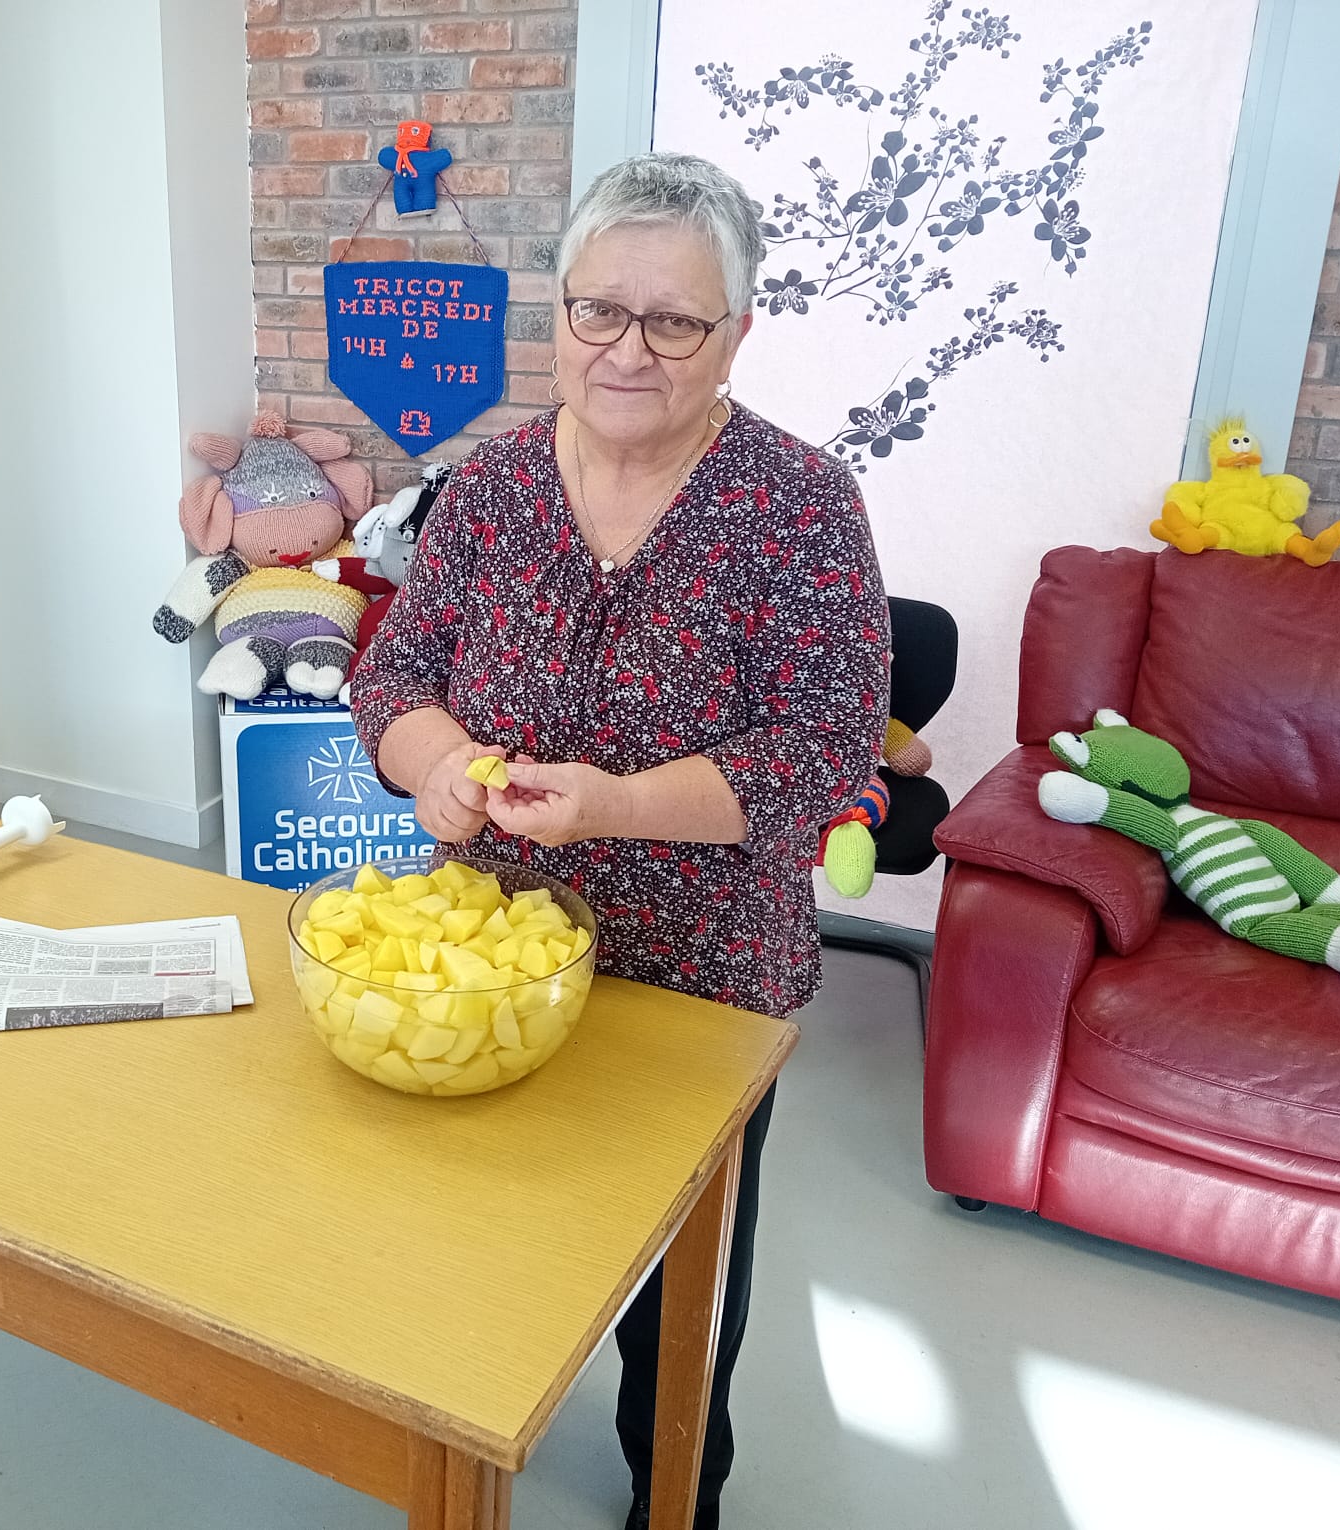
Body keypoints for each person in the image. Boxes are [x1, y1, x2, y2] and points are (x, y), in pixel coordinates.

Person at [350, 152, 890, 1529]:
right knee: (480, 1239)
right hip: (492, 970)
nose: (627, 350)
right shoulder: (486, 489)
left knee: (683, 1292)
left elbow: (820, 752)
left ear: (738, 334)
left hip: (704, 980)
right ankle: (466, 1457)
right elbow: (392, 677)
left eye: (675, 321)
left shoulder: (800, 505)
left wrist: (615, 802)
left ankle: (674, 1488)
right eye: (599, 309)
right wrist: (438, 769)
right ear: (558, 311)